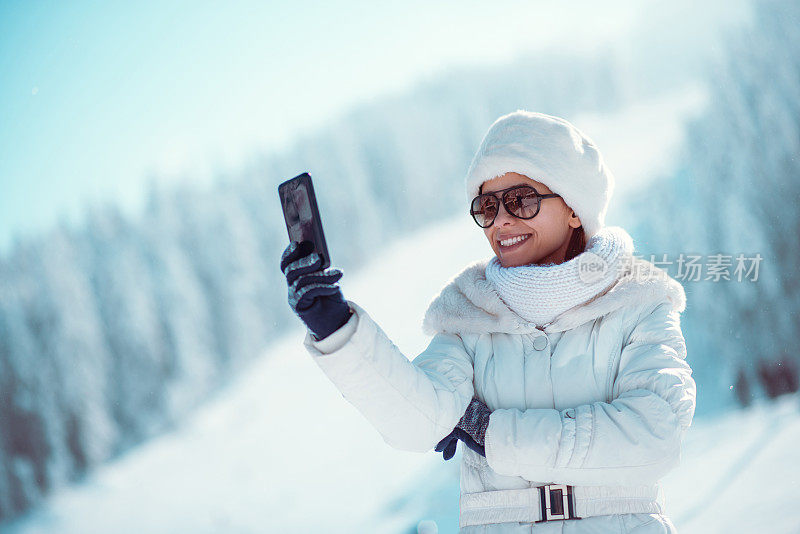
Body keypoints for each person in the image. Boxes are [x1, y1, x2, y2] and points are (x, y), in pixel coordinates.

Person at [280, 110, 696, 533]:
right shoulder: (467, 315)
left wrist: (493, 433)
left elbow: (654, 436)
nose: (501, 220)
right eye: (487, 206)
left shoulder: (637, 302)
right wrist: (336, 329)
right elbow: (417, 422)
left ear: (575, 208)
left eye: (521, 200)